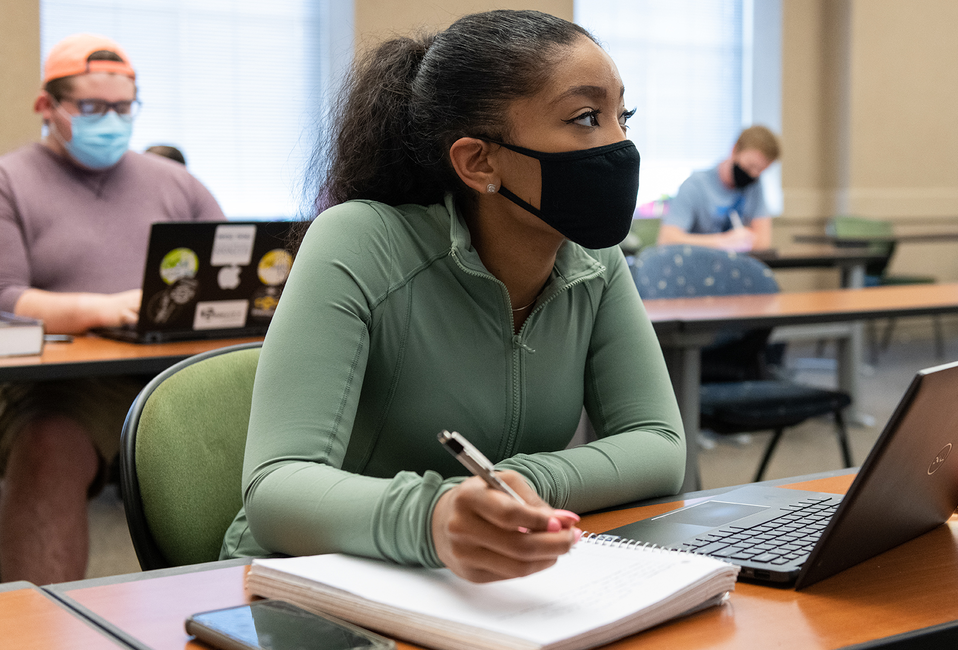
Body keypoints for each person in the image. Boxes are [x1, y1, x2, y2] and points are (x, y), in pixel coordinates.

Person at [218, 10, 684, 583]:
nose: (618, 144)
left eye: (623, 116)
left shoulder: (594, 259)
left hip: (479, 584)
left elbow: (659, 446)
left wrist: (521, 486)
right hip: (306, 582)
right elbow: (277, 488)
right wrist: (436, 518)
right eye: (586, 117)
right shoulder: (359, 240)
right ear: (478, 161)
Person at [0, 34, 224, 584]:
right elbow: (6, 298)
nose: (112, 120)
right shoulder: (11, 182)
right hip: (65, 385)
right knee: (50, 446)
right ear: (46, 107)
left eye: (124, 108)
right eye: (93, 108)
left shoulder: (176, 185)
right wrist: (104, 308)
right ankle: (38, 631)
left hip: (180, 369)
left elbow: (232, 272)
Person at [657, 125, 779, 252]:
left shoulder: (754, 186)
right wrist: (723, 242)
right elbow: (667, 240)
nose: (753, 174)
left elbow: (764, 242)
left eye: (760, 170)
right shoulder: (695, 186)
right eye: (750, 166)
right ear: (734, 150)